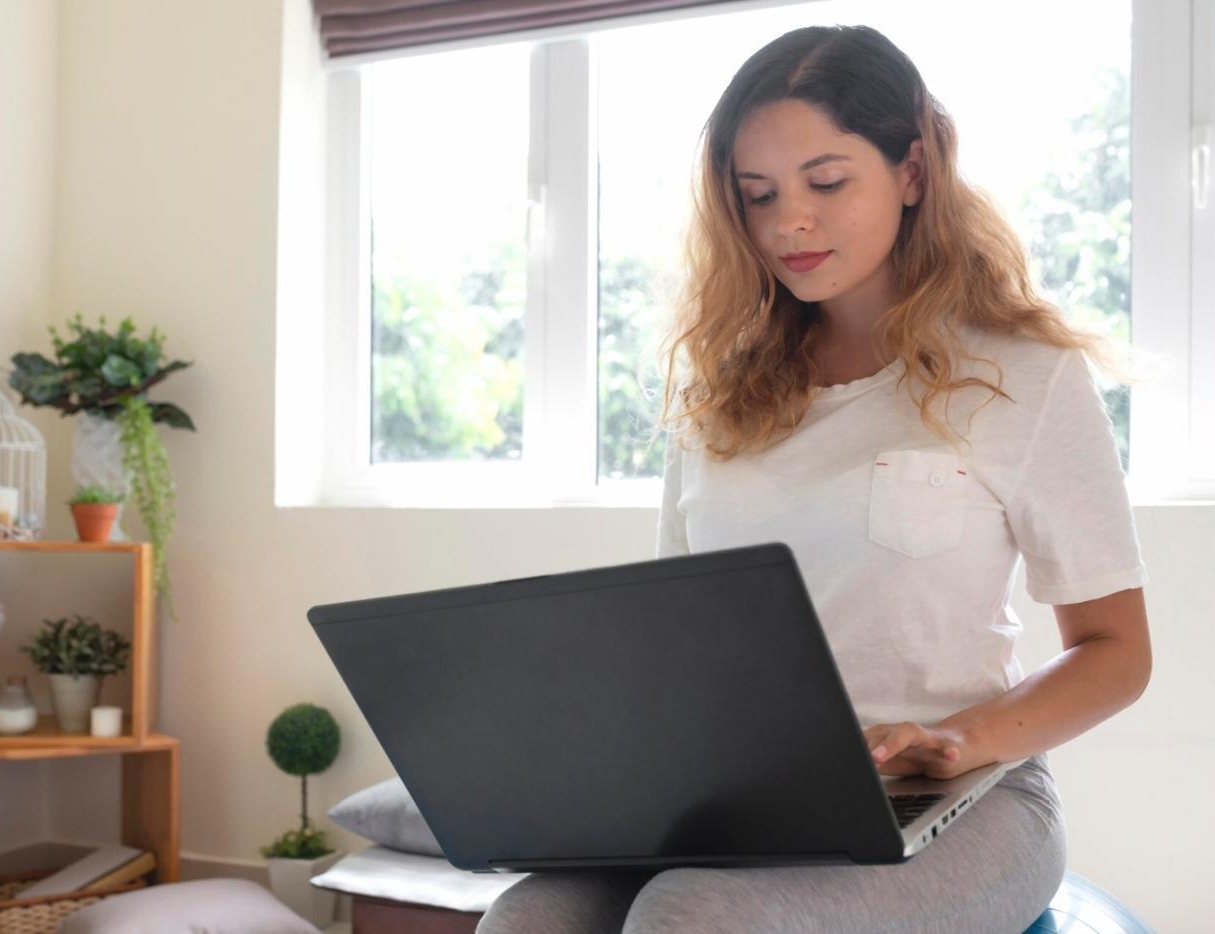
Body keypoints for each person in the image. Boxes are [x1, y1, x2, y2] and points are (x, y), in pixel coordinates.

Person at [477, 23, 1151, 934]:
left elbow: (1116, 651)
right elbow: (681, 645)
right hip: (750, 798)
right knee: (527, 918)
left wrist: (961, 739)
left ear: (913, 171)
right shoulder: (717, 397)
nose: (787, 221)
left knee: (691, 915)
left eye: (826, 182)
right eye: (758, 195)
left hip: (966, 796)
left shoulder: (1022, 375)